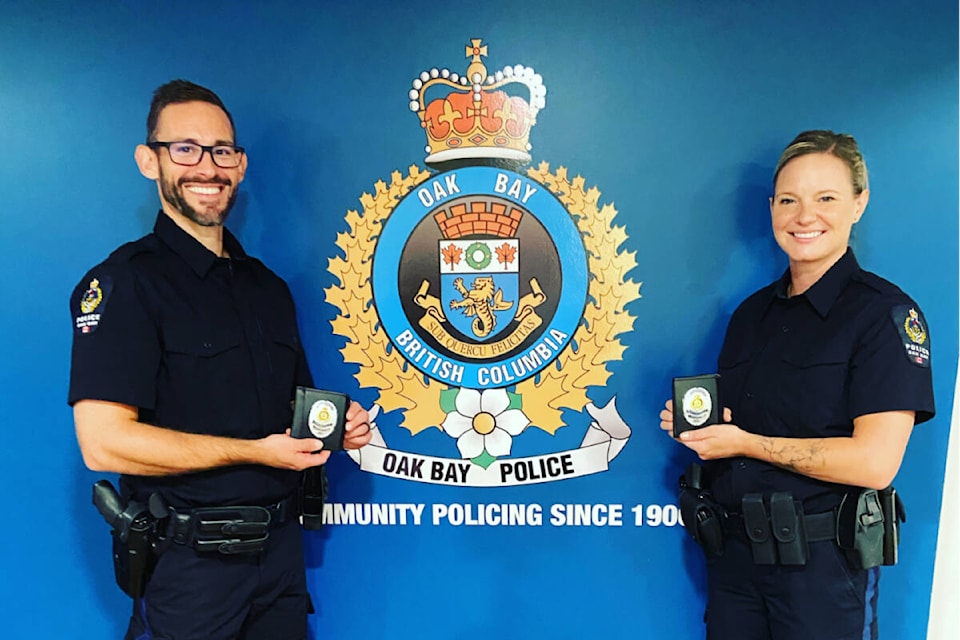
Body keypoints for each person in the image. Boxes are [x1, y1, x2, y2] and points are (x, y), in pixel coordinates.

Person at [68, 79, 373, 640]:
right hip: (191, 569)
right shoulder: (125, 284)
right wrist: (255, 452)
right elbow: (103, 443)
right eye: (184, 149)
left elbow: (296, 416)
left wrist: (336, 427)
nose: (207, 168)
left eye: (221, 151)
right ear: (148, 160)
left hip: (280, 561)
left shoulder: (268, 289)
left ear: (240, 164)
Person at [659, 130, 935, 640]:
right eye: (789, 200)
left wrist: (745, 444)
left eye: (826, 198)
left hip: (822, 573)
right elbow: (739, 429)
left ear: (859, 202)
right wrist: (702, 428)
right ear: (771, 209)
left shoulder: (884, 315)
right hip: (735, 564)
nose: (804, 216)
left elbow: (874, 462)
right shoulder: (749, 316)